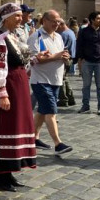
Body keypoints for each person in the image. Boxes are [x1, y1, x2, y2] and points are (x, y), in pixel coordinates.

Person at [0, 3, 37, 192]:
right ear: (5, 19)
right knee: (7, 126)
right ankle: (2, 174)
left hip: (19, 87)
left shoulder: (13, 38)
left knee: (18, 125)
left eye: (19, 15)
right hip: (9, 88)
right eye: (16, 16)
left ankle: (9, 172)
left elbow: (19, 60)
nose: (20, 18)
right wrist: (2, 93)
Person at [27, 10, 73, 155]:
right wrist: (57, 56)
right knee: (51, 111)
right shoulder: (36, 36)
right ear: (44, 21)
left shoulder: (58, 36)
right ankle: (58, 143)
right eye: (54, 21)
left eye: (58, 21)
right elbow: (35, 59)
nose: (56, 24)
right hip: (41, 80)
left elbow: (59, 55)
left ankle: (33, 138)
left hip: (56, 79)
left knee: (42, 111)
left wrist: (65, 57)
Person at [75, 11, 100, 115]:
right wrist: (80, 59)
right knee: (86, 85)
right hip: (87, 62)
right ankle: (85, 106)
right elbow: (79, 45)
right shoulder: (84, 31)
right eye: (98, 18)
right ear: (92, 20)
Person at [56, 18, 76, 107]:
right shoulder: (71, 32)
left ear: (61, 25)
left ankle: (63, 99)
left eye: (57, 25)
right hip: (71, 58)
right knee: (65, 79)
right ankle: (70, 98)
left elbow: (60, 48)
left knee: (61, 79)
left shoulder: (63, 34)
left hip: (65, 58)